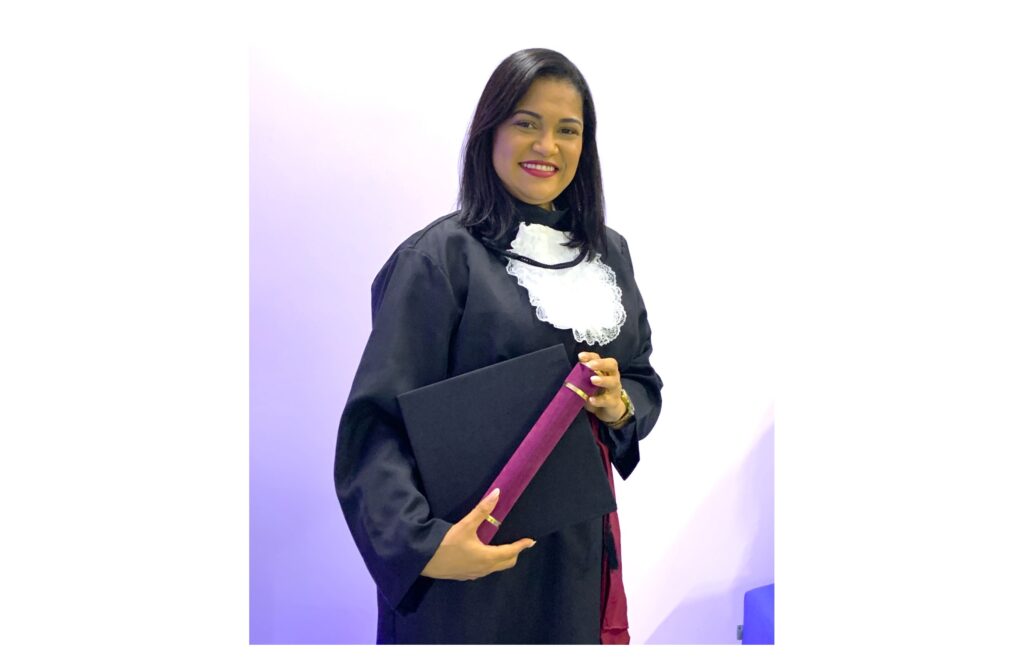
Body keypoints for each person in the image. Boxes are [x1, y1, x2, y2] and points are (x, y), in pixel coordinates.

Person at [334, 48, 663, 644]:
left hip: (576, 553)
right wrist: (427, 547)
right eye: (526, 123)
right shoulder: (438, 259)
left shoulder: (609, 252)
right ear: (490, 131)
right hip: (467, 564)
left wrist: (619, 406)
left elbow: (640, 375)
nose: (547, 146)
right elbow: (375, 427)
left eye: (568, 130)